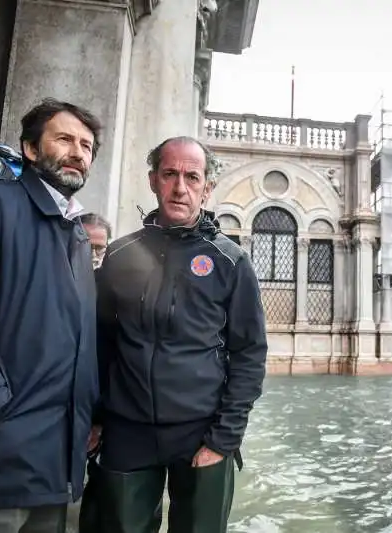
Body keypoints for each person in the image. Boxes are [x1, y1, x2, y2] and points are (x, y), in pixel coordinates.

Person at [0, 98, 103, 533]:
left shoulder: (78, 234)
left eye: (86, 146)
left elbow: (77, 338)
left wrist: (87, 415)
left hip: (55, 468)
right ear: (30, 149)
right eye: (64, 139)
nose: (77, 153)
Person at [92, 136, 268, 532]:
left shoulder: (230, 261)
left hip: (201, 433)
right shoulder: (119, 255)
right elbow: (100, 342)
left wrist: (224, 438)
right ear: (153, 180)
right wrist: (97, 416)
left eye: (192, 176)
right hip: (127, 430)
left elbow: (250, 354)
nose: (180, 187)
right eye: (170, 174)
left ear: (207, 188)